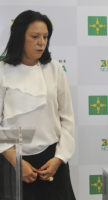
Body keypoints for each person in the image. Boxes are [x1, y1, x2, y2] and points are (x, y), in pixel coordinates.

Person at [0, 10, 76, 200]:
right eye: (35, 37)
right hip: (12, 159)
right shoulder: (3, 71)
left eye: (45, 37)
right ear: (19, 37)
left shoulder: (55, 69)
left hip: (52, 159)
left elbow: (67, 118)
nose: (41, 42)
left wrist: (59, 158)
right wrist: (17, 162)